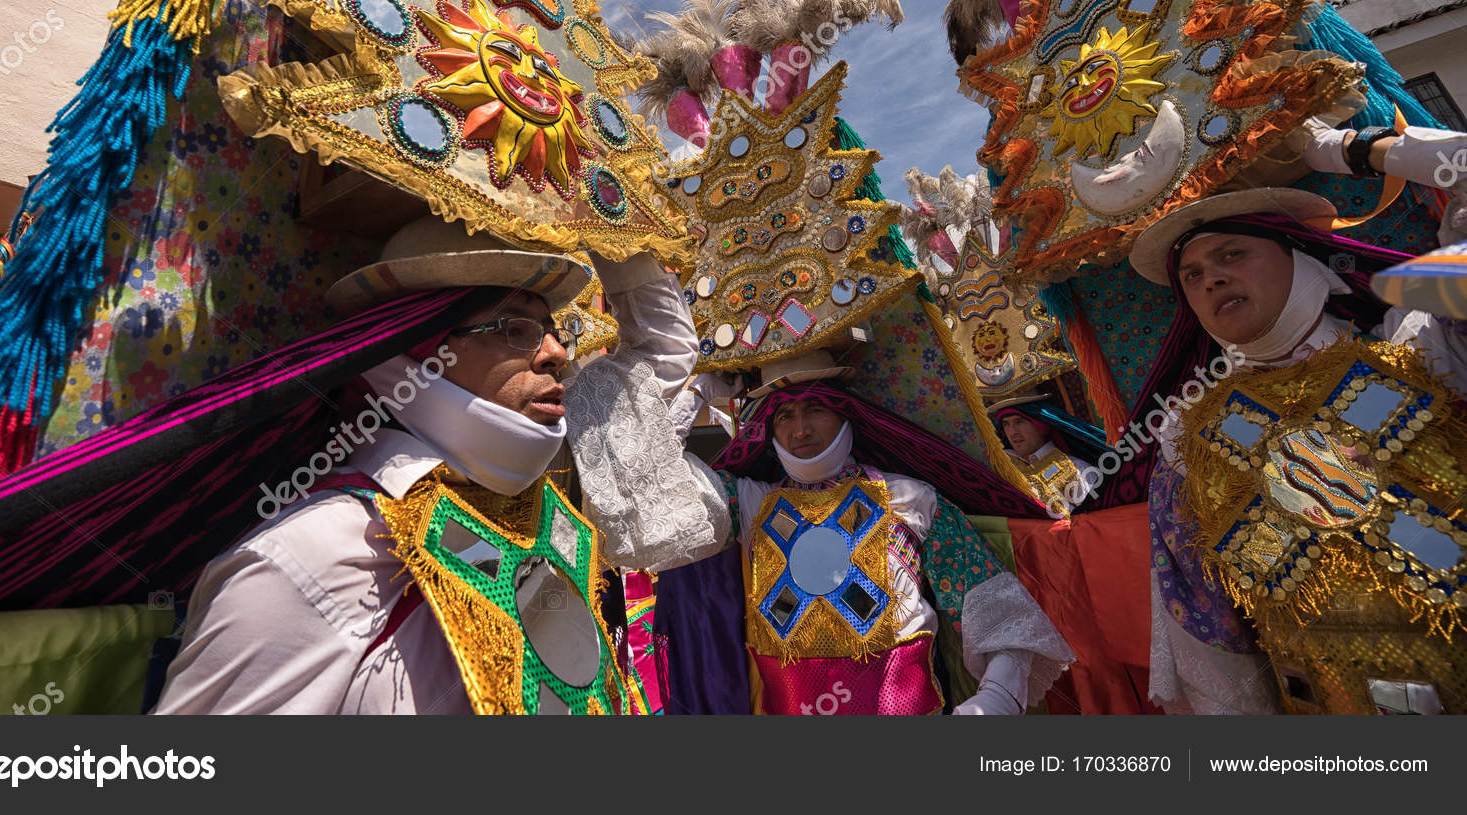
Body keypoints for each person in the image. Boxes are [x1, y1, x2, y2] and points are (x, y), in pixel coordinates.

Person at [154, 216, 697, 714]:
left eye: (554, 329)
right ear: (417, 348)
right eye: (514, 328)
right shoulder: (315, 552)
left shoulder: (545, 518)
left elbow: (663, 360)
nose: (556, 352)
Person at [577, 348, 1074, 715]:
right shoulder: (750, 504)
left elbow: (997, 609)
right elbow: (651, 476)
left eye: (814, 409)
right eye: (785, 416)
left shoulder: (911, 498)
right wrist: (700, 392)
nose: (800, 430)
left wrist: (995, 700)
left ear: (845, 413)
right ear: (768, 431)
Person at [1128, 179, 1467, 714]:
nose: (1212, 278)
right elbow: (1206, 626)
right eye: (1192, 276)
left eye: (1232, 254)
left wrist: (1374, 153)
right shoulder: (1183, 446)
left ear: (1300, 257)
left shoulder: (1422, 346)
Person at [992, 398, 1095, 516]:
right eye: (1006, 424)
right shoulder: (998, 469)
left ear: (1040, 426)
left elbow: (1094, 519)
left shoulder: (1077, 469)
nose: (1012, 432)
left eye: (1019, 422)